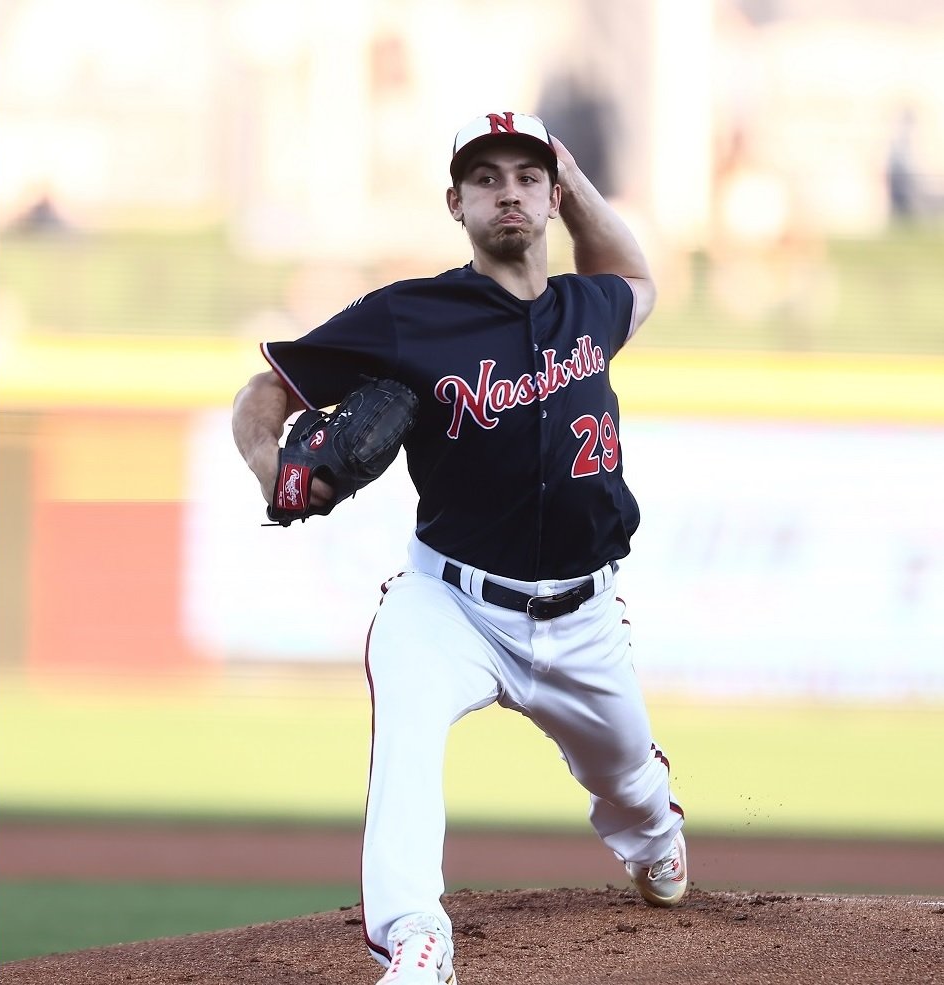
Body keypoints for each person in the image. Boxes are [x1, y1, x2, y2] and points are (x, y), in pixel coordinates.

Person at [232, 111, 686, 985]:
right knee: (405, 735)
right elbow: (264, 390)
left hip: (585, 618)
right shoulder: (409, 316)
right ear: (456, 204)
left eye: (526, 175)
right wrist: (271, 471)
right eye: (486, 178)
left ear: (553, 197)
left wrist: (575, 174)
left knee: (633, 794)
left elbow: (634, 273)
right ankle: (415, 939)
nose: (506, 190)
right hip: (451, 606)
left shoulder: (592, 306)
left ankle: (654, 839)